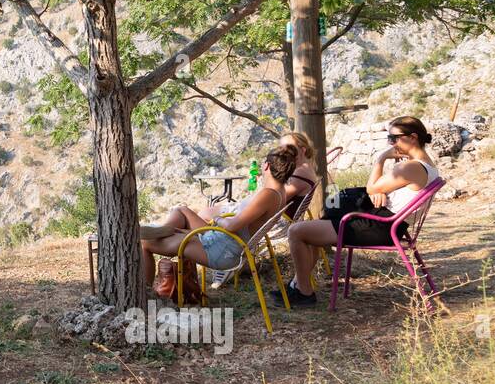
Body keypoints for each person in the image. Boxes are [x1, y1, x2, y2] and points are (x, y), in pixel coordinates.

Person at [281, 116, 441, 307]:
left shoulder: (411, 167)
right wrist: (379, 191)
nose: (391, 144)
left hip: (380, 227)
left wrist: (381, 159)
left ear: (412, 137)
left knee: (296, 231)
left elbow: (372, 187)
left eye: (393, 138)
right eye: (389, 139)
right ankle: (299, 285)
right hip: (389, 223)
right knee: (317, 224)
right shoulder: (428, 166)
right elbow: (377, 190)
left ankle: (303, 291)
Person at [141, 144, 300, 291]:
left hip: (220, 248)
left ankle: (145, 291)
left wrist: (217, 219)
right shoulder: (280, 193)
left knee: (145, 243)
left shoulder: (268, 194)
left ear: (266, 166)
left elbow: (232, 226)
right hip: (223, 241)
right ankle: (165, 231)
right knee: (181, 210)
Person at [207, 131, 319, 225]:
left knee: (205, 214)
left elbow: (276, 197)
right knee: (204, 213)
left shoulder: (300, 173)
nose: (284, 152)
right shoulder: (306, 170)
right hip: (267, 215)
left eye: (290, 148)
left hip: (269, 218)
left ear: (303, 150)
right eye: (281, 148)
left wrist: (269, 177)